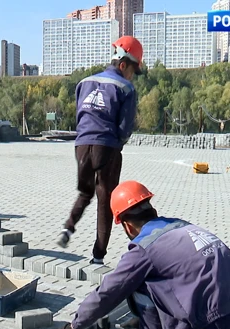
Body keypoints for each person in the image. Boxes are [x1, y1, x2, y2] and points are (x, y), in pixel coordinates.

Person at [54, 180, 230, 329]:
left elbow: (109, 292)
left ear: (127, 225)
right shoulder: (183, 226)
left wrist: (74, 326)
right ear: (152, 209)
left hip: (218, 325)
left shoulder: (144, 248)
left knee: (137, 283)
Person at [56, 36, 143, 265]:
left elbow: (80, 116)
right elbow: (125, 127)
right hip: (107, 146)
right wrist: (117, 144)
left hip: (81, 145)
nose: (132, 75)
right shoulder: (126, 88)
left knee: (86, 192)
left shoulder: (83, 83)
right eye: (133, 70)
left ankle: (68, 228)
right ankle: (97, 256)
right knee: (106, 200)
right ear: (123, 64)